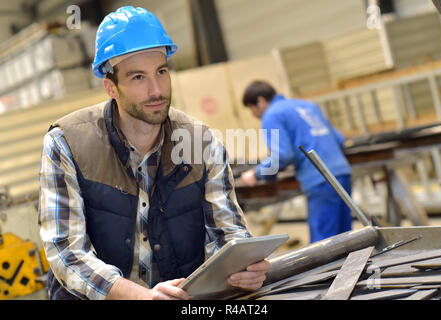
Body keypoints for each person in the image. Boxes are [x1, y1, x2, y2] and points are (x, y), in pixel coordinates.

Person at [38, 6, 269, 300]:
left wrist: (243, 265)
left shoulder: (201, 141)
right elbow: (66, 252)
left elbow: (228, 232)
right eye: (138, 78)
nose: (156, 89)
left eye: (161, 72)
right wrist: (137, 296)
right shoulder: (66, 144)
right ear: (111, 86)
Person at [240, 80, 353, 243]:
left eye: (252, 108)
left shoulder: (271, 115)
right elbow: (339, 139)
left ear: (260, 101)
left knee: (325, 244)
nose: (253, 114)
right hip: (342, 172)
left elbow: (283, 155)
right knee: (349, 239)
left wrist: (257, 174)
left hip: (319, 180)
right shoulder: (308, 106)